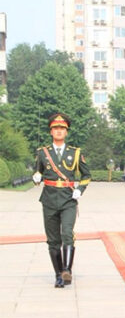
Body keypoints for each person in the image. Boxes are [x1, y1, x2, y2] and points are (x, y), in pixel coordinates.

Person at [32, 113, 91, 288]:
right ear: (51, 131)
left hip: (68, 199)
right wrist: (36, 177)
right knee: (52, 240)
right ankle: (58, 274)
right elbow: (38, 172)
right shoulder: (43, 153)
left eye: (62, 129)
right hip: (49, 199)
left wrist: (79, 189)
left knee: (67, 233)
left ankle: (67, 270)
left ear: (66, 132)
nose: (58, 131)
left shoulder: (75, 152)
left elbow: (87, 175)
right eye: (55, 128)